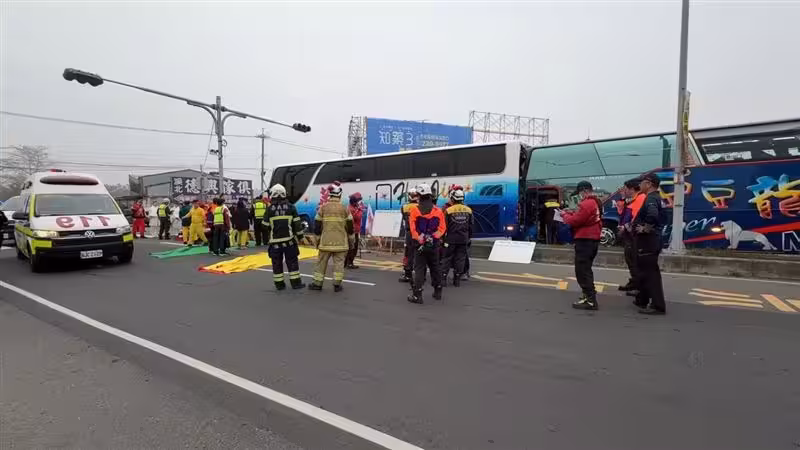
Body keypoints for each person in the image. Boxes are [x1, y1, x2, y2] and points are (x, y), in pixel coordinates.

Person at [562, 181, 603, 310]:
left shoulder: (587, 203)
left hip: (585, 239)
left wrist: (565, 215)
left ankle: (590, 300)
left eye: (579, 193)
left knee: (582, 271)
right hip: (591, 239)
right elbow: (583, 217)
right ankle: (588, 296)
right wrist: (572, 213)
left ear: (584, 191)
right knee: (585, 269)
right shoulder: (595, 202)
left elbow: (576, 221)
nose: (579, 196)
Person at [309, 182, 354, 292]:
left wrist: (317, 241)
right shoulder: (345, 209)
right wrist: (351, 242)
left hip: (325, 243)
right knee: (339, 264)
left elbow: (317, 226)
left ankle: (317, 284)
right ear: (339, 195)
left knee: (321, 264)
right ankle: (337, 285)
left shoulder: (323, 208)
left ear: (330, 195)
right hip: (341, 243)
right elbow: (350, 228)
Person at [633, 173, 667, 315]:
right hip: (652, 240)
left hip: (649, 241)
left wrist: (645, 228)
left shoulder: (652, 198)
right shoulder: (657, 197)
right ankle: (643, 299)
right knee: (645, 272)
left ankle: (657, 305)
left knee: (651, 273)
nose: (639, 185)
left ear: (649, 184)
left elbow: (652, 215)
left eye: (641, 182)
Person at [407, 183, 446, 304]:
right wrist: (433, 238)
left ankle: (417, 295)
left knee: (419, 269)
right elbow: (442, 228)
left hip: (420, 245)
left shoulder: (414, 210)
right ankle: (438, 291)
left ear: (419, 195)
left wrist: (421, 239)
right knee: (435, 267)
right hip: (434, 245)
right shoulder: (438, 211)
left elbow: (413, 229)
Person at [264, 184, 306, 290]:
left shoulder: (269, 209)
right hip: (289, 242)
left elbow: (264, 226)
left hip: (275, 243)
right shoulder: (291, 207)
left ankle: (279, 284)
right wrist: (301, 237)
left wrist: (272, 231)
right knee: (292, 262)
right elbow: (297, 224)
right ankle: (296, 284)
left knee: (276, 264)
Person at [618, 178, 646, 295]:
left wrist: (625, 227)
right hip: (629, 235)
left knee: (635, 262)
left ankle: (639, 287)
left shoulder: (641, 199)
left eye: (625, 189)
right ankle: (634, 282)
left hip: (634, 236)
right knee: (630, 260)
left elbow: (636, 219)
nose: (624, 191)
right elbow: (622, 213)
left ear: (632, 189)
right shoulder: (632, 200)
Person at [441, 188, 472, 287]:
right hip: (463, 239)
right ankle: (457, 280)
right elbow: (471, 226)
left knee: (447, 258)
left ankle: (443, 279)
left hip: (450, 239)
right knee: (460, 259)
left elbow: (443, 226)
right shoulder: (468, 210)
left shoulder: (448, 210)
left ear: (453, 198)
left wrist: (442, 239)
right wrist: (469, 238)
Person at [398, 187, 419, 283]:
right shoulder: (421, 206)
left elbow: (404, 218)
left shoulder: (405, 207)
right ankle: (421, 275)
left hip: (409, 233)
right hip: (419, 233)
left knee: (408, 253)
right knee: (419, 253)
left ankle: (407, 274)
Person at [344, 192, 364, 269]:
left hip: (353, 230)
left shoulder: (351, 208)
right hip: (353, 231)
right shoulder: (352, 209)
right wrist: (360, 210)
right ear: (354, 202)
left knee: (350, 247)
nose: (358, 202)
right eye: (358, 201)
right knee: (352, 247)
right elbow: (357, 217)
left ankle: (347, 262)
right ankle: (349, 262)